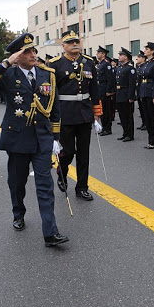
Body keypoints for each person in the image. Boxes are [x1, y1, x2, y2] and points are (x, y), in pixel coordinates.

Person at [0, 33, 68, 247]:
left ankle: (50, 232)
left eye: (33, 50)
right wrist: (5, 63)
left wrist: (56, 137)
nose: (32, 54)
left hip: (42, 138)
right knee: (17, 182)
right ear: (16, 56)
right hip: (18, 138)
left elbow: (54, 108)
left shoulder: (48, 74)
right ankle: (18, 213)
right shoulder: (7, 74)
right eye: (26, 51)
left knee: (45, 184)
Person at [49, 30, 101, 201]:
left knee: (84, 153)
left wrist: (97, 113)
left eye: (76, 41)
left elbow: (94, 88)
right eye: (70, 42)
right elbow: (52, 93)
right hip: (65, 113)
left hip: (84, 113)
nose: (75, 44)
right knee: (68, 151)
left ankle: (82, 187)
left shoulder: (89, 62)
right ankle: (62, 173)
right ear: (63, 46)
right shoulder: (55, 64)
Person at [138, 42, 154, 149]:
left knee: (153, 118)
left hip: (151, 93)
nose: (145, 50)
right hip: (144, 92)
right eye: (145, 48)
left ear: (152, 51)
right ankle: (150, 139)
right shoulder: (146, 64)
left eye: (147, 49)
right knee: (147, 118)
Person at [115, 47, 136, 142]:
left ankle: (130, 134)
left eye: (121, 55)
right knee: (122, 116)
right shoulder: (120, 68)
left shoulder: (130, 69)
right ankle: (125, 133)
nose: (119, 57)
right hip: (119, 94)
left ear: (126, 57)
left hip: (126, 93)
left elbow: (132, 84)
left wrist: (131, 97)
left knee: (128, 116)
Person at [96, 46, 115, 136]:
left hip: (104, 89)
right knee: (102, 110)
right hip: (100, 88)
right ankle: (104, 127)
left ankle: (108, 128)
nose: (97, 54)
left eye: (98, 53)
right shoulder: (101, 64)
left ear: (103, 54)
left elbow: (110, 79)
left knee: (106, 110)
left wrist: (108, 90)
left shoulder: (106, 64)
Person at [135, 51, 147, 130]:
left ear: (143, 58)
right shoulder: (138, 67)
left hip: (143, 89)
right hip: (138, 89)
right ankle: (143, 122)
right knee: (141, 108)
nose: (137, 59)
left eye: (139, 57)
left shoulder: (144, 67)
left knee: (145, 108)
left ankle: (146, 123)